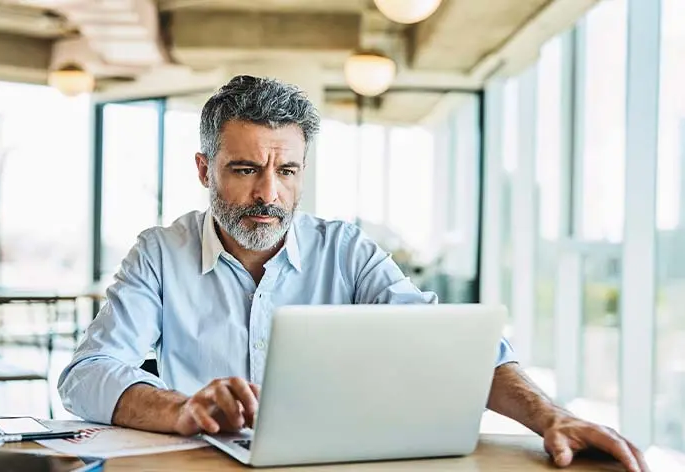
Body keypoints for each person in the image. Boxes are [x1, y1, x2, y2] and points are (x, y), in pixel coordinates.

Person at [58, 75, 647, 471]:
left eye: (287, 170)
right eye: (244, 170)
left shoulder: (346, 250)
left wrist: (552, 416)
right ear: (203, 168)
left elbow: (454, 350)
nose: (269, 193)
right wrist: (180, 409)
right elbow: (86, 376)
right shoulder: (161, 252)